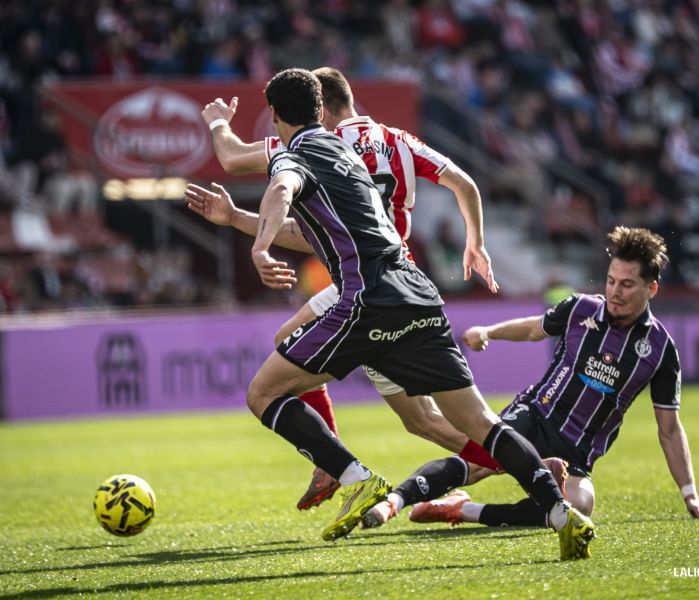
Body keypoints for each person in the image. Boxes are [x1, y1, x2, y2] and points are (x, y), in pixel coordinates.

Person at [215, 68, 594, 558]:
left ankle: (351, 475)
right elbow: (457, 183)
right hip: (416, 290)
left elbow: (279, 188)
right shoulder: (371, 147)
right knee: (476, 422)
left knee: (264, 391)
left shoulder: (298, 152)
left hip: (364, 298)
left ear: (274, 115)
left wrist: (259, 244)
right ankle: (561, 512)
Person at [187, 67, 500, 511]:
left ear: (321, 110)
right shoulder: (400, 141)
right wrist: (477, 244)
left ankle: (333, 463)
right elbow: (464, 183)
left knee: (281, 361)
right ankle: (511, 458)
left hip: (361, 283)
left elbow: (234, 158)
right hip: (403, 276)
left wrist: (218, 121)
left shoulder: (318, 144)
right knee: (423, 419)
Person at [364, 226, 699, 531]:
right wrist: (489, 330)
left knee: (579, 507)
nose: (615, 292)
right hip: (535, 415)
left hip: (577, 452)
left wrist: (690, 493)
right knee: (478, 462)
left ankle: (463, 511)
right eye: (610, 281)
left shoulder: (660, 348)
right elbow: (534, 329)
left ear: (651, 289)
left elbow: (669, 428)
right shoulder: (581, 308)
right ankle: (395, 500)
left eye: (627, 284)